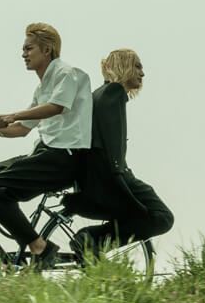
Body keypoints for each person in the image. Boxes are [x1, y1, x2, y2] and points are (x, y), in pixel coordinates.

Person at [0, 22, 92, 268]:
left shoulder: (67, 73)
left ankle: (41, 248)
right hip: (44, 154)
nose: (23, 54)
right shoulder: (42, 87)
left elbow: (57, 107)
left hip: (65, 158)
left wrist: (13, 114)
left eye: (28, 48)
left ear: (47, 49)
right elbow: (22, 129)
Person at [62, 48, 174, 256]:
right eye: (138, 66)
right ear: (124, 66)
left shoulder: (98, 94)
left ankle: (91, 241)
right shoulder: (114, 93)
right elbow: (111, 150)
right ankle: (90, 238)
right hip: (110, 175)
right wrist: (123, 187)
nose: (142, 73)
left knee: (147, 215)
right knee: (163, 218)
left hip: (95, 174)